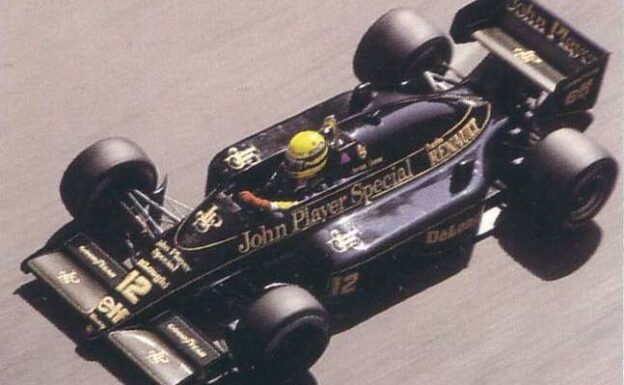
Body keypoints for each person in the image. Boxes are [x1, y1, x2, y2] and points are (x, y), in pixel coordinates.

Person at [238, 119, 336, 211]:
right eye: (289, 161)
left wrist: (261, 203)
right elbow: (271, 186)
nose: (289, 166)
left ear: (313, 164)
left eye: (295, 165)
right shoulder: (284, 169)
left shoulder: (321, 185)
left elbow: (302, 205)